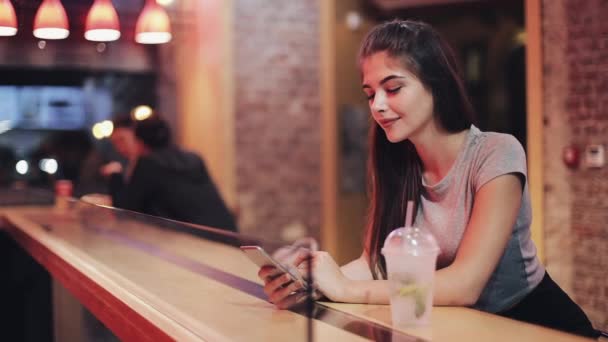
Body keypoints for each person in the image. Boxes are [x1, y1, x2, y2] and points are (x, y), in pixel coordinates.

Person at [259, 20, 599, 338]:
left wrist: (344, 288)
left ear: (436, 86)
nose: (377, 105)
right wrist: (309, 281)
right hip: (462, 328)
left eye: (392, 88)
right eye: (370, 93)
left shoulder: (497, 153)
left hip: (533, 324)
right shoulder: (397, 163)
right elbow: (375, 262)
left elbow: (466, 284)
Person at [100, 116, 237, 232]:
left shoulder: (148, 164)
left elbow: (125, 210)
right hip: (226, 233)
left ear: (140, 142)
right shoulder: (193, 158)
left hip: (197, 241)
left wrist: (115, 176)